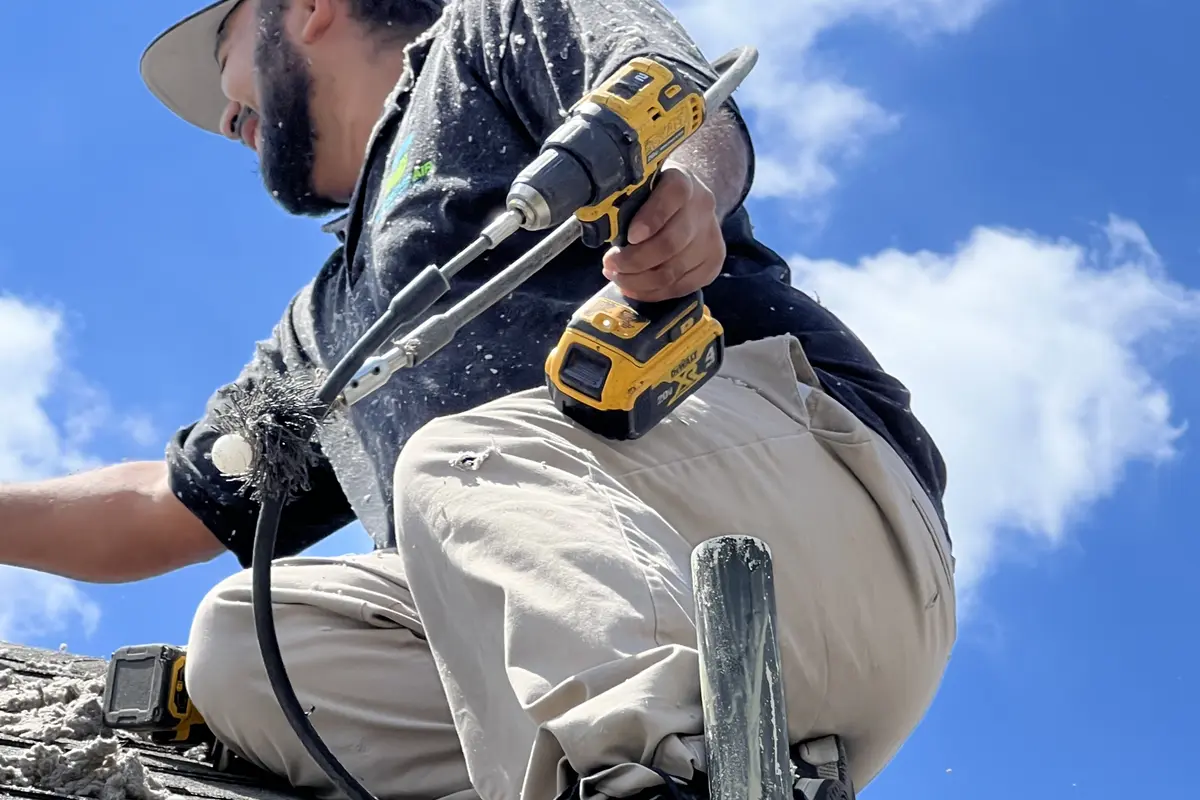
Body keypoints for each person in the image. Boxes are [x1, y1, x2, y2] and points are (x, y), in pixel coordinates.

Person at [0, 0, 957, 798]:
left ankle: (654, 765)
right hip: (635, 650)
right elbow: (162, 507)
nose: (224, 116)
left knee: (455, 461)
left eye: (224, 58)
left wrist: (684, 196)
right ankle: (627, 773)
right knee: (246, 645)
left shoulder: (492, 30)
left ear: (307, 8)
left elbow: (674, 95)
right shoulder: (329, 323)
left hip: (813, 532)